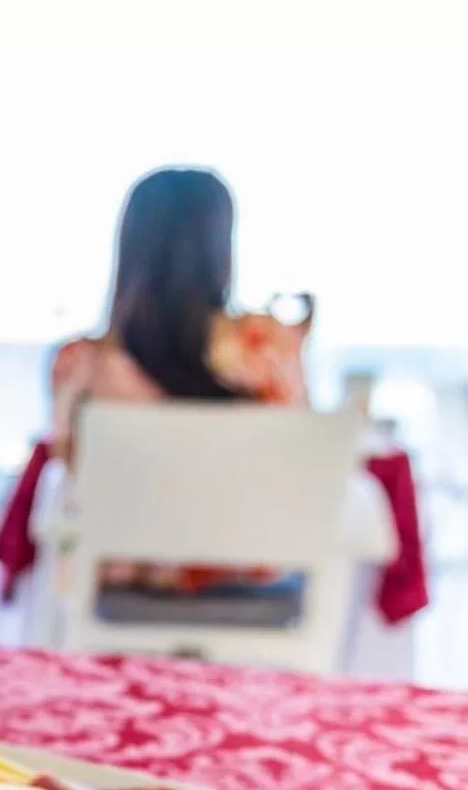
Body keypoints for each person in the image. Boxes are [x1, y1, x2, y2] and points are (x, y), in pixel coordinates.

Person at [46, 166, 311, 590]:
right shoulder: (265, 346)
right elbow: (298, 457)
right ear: (222, 246)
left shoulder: (79, 363)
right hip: (243, 573)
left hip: (116, 574)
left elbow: (69, 464)